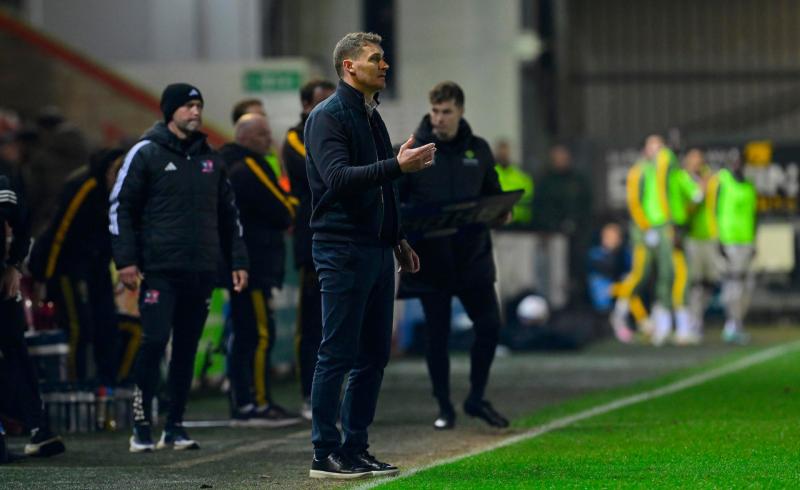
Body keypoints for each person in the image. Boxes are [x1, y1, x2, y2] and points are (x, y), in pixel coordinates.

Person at [304, 32, 434, 479]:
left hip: (377, 250)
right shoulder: (328, 116)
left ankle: (355, 447)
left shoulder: (370, 114)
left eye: (383, 59)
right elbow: (338, 178)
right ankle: (325, 452)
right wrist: (398, 166)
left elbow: (379, 187)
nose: (385, 65)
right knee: (336, 352)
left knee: (374, 356)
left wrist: (397, 238)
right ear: (348, 67)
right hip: (341, 247)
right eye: (375, 59)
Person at [110, 83, 249, 452]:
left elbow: (229, 214)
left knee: (187, 348)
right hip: (159, 270)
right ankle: (141, 425)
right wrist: (125, 259)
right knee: (154, 341)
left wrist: (237, 260)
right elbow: (120, 207)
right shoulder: (145, 153)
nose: (195, 112)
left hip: (200, 270)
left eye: (199, 105)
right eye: (188, 105)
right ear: (170, 111)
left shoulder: (211, 159)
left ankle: (175, 425)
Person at [397, 81, 509, 431]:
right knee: (437, 335)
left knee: (490, 325)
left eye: (446, 112)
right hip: (430, 258)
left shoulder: (478, 149)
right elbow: (396, 201)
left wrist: (502, 212)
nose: (439, 118)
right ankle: (444, 405)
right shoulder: (413, 150)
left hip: (472, 255)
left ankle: (476, 397)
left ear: (460, 111)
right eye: (435, 111)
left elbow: (493, 194)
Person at [219, 113, 301, 426]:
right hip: (252, 265)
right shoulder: (249, 167)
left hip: (246, 263)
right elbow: (284, 210)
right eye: (264, 133)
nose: (270, 139)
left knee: (246, 334)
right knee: (258, 334)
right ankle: (256, 402)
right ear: (247, 137)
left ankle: (246, 401)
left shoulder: (231, 165)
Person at [28, 148, 125, 383]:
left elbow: (121, 233)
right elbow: (59, 233)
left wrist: (123, 266)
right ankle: (74, 386)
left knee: (107, 324)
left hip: (97, 266)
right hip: (67, 267)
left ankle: (106, 389)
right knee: (78, 328)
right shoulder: (85, 188)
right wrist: (43, 276)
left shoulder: (124, 195)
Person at [0, 130, 65, 460]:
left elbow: (21, 223)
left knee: (15, 354)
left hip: (1, 283)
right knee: (15, 354)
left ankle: (38, 427)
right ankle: (36, 427)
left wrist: (13, 266)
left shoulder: (4, 183)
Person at [282, 79, 336, 421]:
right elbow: (326, 172)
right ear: (305, 105)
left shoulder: (342, 131)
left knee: (340, 323)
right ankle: (308, 394)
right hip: (312, 239)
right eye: (321, 102)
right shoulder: (294, 138)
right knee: (312, 322)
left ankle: (335, 396)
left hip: (343, 237)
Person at [707, 156, 758, 344]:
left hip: (746, 240)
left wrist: (754, 240)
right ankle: (731, 324)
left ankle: (738, 322)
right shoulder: (722, 182)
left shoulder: (749, 185)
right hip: (728, 240)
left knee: (747, 284)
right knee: (733, 284)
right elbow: (712, 210)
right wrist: (717, 239)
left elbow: (753, 213)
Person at [682, 149, 715, 343]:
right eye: (693, 160)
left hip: (710, 235)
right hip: (692, 236)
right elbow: (686, 208)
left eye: (699, 160)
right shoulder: (683, 180)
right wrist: (700, 192)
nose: (697, 163)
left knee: (710, 282)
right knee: (695, 282)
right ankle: (693, 321)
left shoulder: (709, 177)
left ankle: (698, 315)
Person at [494, 139, 534, 225]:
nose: (504, 154)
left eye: (506, 151)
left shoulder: (522, 177)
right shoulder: (490, 174)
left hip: (519, 225)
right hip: (496, 225)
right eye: (501, 151)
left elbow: (529, 201)